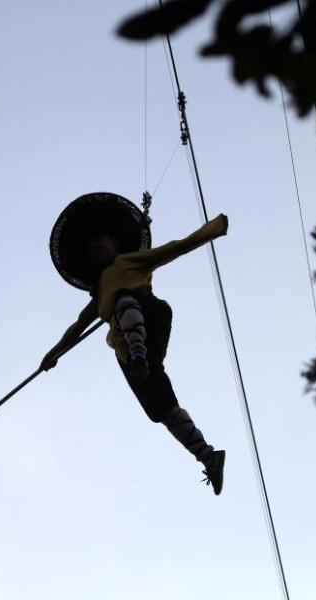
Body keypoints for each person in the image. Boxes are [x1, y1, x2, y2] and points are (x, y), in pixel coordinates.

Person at [42, 192, 228, 495]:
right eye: (91, 246)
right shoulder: (99, 294)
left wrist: (213, 229)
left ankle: (139, 355)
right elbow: (77, 327)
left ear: (115, 242)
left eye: (101, 240)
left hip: (149, 318)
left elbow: (174, 249)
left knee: (123, 300)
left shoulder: (129, 262)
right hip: (127, 349)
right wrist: (53, 354)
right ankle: (208, 455)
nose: (95, 246)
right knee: (160, 408)